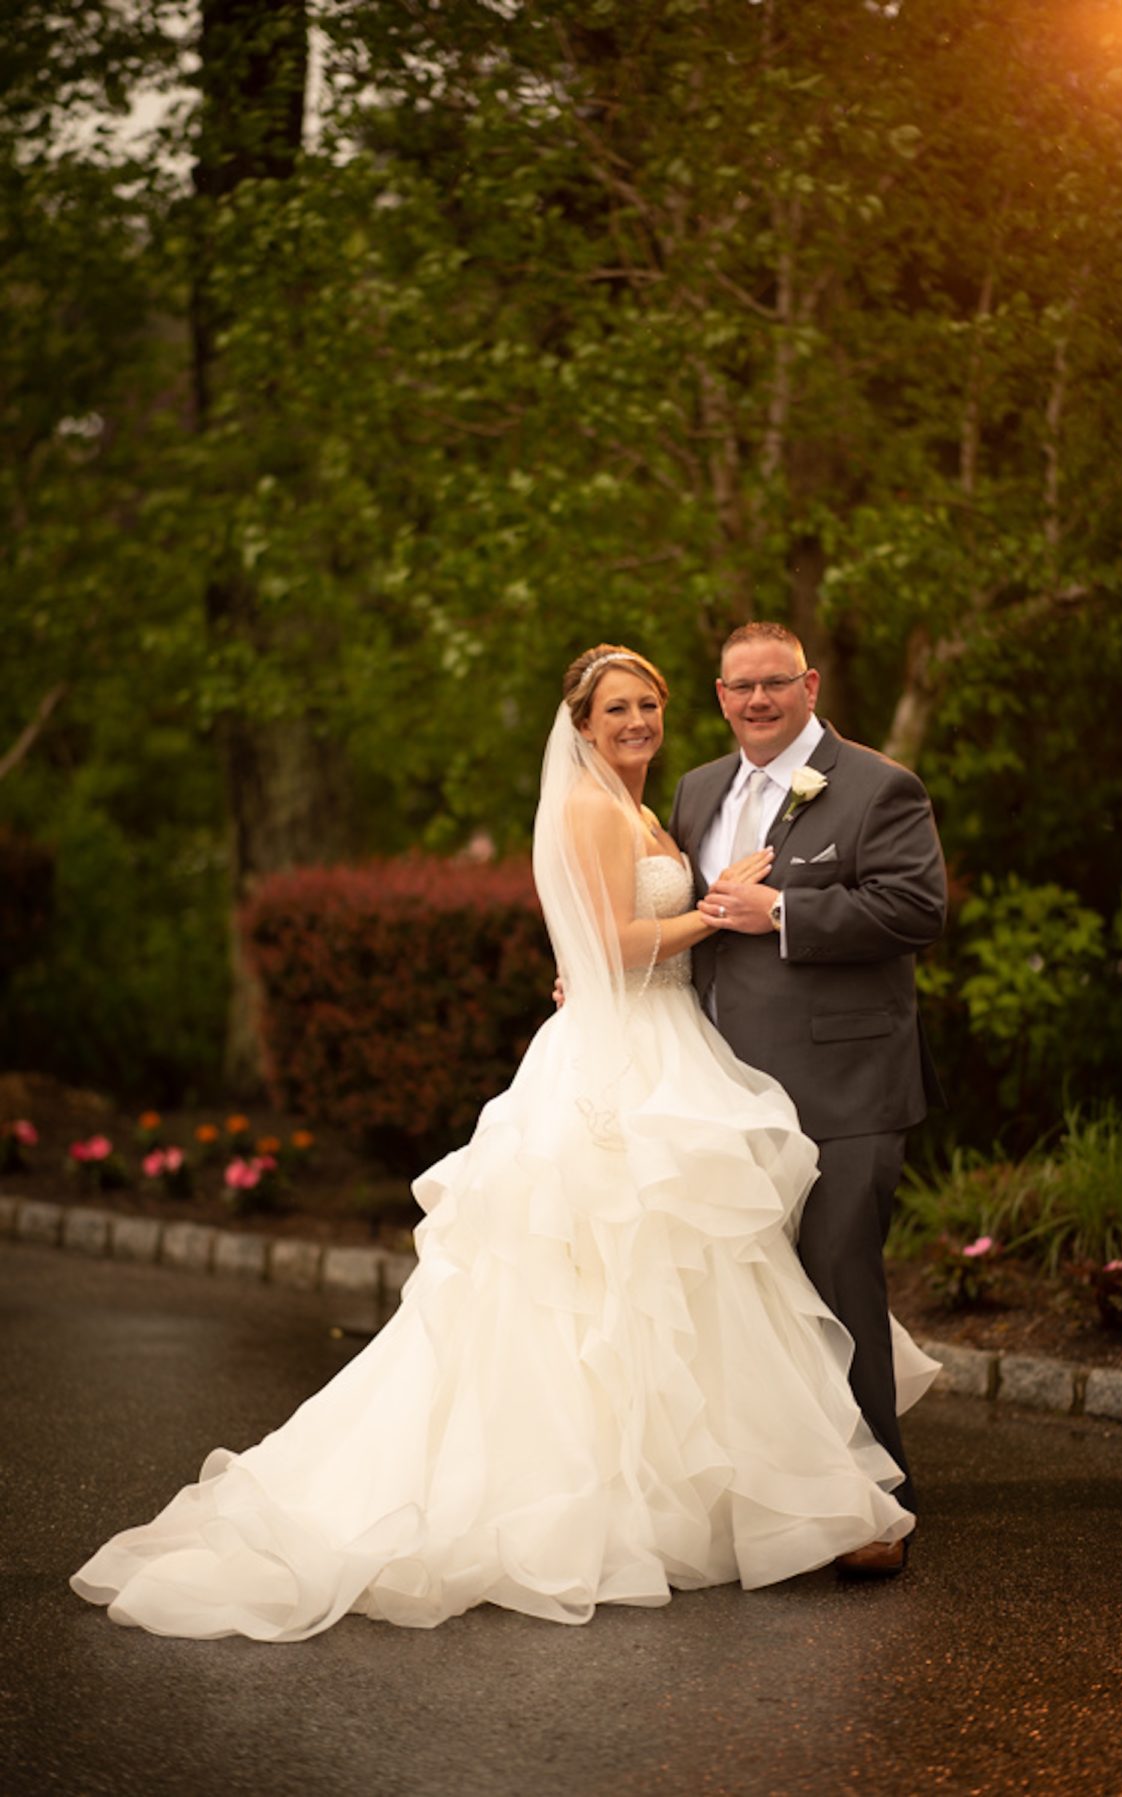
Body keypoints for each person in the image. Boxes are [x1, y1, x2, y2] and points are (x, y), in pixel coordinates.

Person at [70, 644, 937, 1642]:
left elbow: (627, 939)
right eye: (616, 708)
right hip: (617, 1064)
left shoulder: (672, 802)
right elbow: (607, 940)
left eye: (647, 704)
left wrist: (653, 948)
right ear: (579, 723)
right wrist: (699, 916)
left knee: (686, 1285)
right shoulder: (593, 808)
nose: (636, 722)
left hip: (672, 1046)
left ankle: (714, 1493)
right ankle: (598, 1499)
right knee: (596, 1286)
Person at [671, 621, 948, 1573]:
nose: (757, 701)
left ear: (809, 683)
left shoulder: (878, 784)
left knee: (838, 1288)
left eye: (775, 684)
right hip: (719, 1087)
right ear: (718, 694)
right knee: (752, 1303)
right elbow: (685, 922)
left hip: (844, 1087)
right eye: (740, 686)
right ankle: (779, 1503)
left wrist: (784, 910)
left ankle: (878, 1509)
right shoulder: (698, 789)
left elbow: (917, 908)